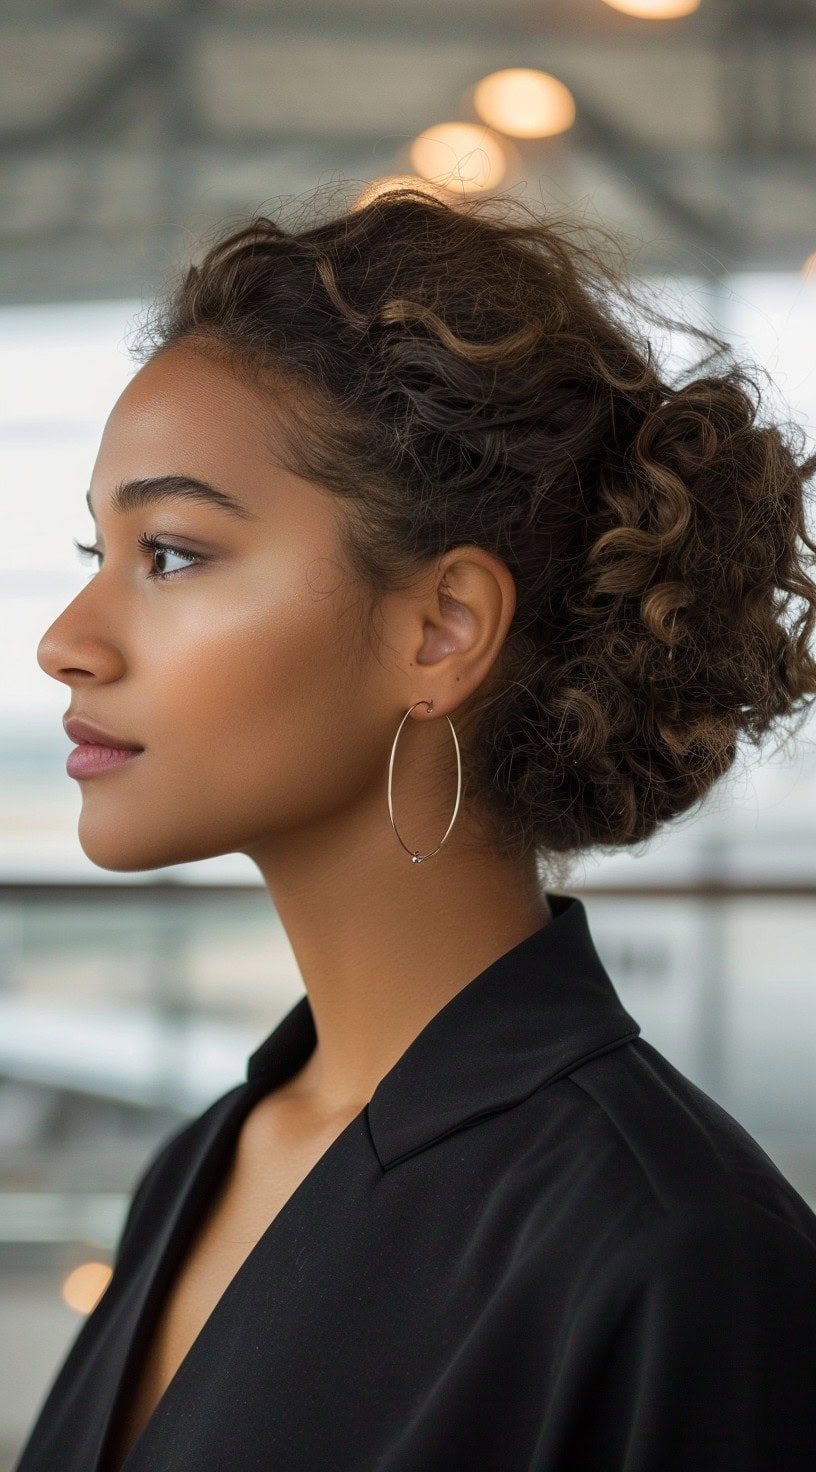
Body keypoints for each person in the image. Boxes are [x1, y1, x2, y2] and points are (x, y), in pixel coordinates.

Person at [21, 182, 816, 1470]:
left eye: (168, 553)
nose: (66, 642)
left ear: (441, 628)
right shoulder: (205, 1161)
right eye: (91, 554)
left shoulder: (673, 1255)